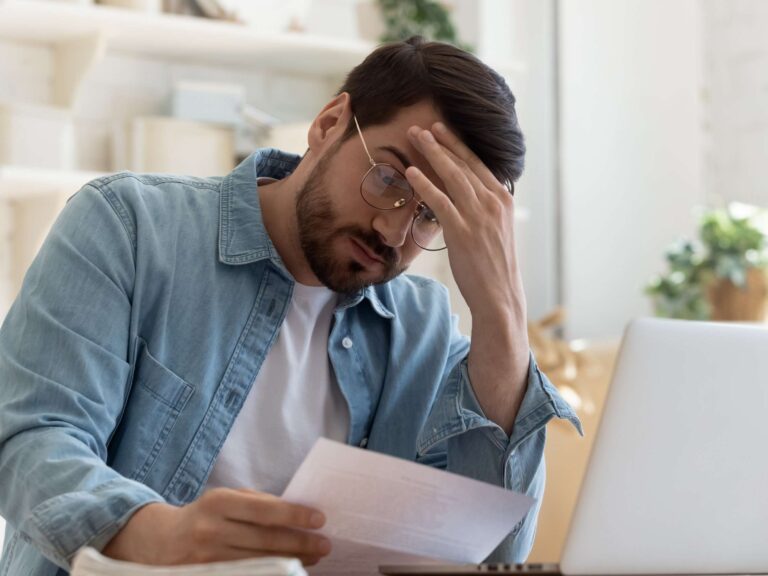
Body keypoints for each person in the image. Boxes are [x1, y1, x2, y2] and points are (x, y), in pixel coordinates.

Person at [0, 36, 580, 575]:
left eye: (430, 213)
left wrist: (502, 314)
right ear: (329, 124)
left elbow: (492, 553)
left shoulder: (421, 328)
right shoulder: (130, 228)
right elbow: (31, 440)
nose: (392, 228)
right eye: (388, 177)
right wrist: (162, 534)